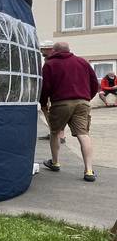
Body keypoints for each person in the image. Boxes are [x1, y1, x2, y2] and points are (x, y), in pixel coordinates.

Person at [40, 42, 100, 182]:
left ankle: (55, 162)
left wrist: (43, 103)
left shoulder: (50, 64)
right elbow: (94, 84)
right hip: (82, 102)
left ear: (54, 51)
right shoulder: (82, 62)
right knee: (83, 134)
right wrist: (86, 98)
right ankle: (89, 170)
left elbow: (45, 87)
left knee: (55, 132)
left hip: (61, 103)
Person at [37, 40, 66, 144]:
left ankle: (60, 135)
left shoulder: (54, 60)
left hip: (57, 92)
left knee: (57, 113)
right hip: (51, 91)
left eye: (43, 49)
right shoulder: (48, 60)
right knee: (48, 112)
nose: (41, 51)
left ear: (50, 49)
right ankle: (53, 133)